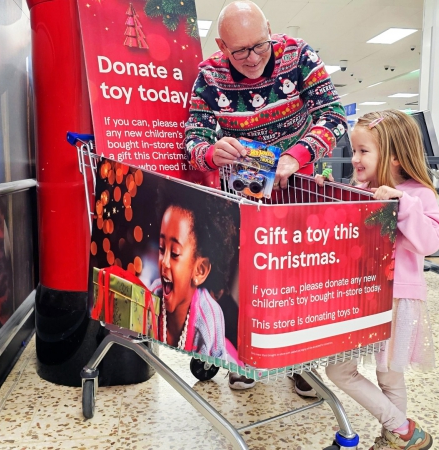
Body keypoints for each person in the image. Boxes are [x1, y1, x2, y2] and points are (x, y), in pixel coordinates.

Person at [183, 0, 347, 394]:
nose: (254, 58)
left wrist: (296, 156)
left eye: (260, 45)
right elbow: (193, 141)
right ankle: (244, 358)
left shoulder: (299, 55)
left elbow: (334, 117)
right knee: (243, 277)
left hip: (297, 188)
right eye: (240, 51)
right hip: (243, 192)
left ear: (270, 30)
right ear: (222, 46)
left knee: (298, 278)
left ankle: (300, 361)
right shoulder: (208, 76)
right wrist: (211, 152)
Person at [316, 110, 439, 450]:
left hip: (396, 298)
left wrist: (403, 205)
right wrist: (324, 194)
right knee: (339, 370)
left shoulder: (418, 194)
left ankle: (394, 438)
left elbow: (430, 242)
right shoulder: (359, 189)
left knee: (390, 375)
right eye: (354, 150)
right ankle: (402, 428)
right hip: (358, 297)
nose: (355, 159)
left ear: (395, 156)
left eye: (363, 151)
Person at [151, 184, 241, 365]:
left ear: (200, 270)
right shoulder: (154, 293)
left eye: (174, 253)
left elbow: (214, 375)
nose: (164, 262)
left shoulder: (208, 319)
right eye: (161, 249)